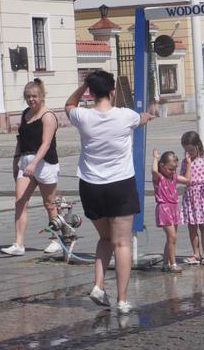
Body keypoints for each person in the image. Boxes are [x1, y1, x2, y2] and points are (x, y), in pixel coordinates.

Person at [65, 70, 154, 314]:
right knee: (122, 243)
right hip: (120, 185)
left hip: (91, 186)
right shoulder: (125, 117)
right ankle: (122, 300)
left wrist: (84, 86)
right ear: (112, 92)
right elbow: (143, 118)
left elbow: (69, 104)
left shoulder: (82, 116)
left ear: (91, 93)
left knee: (105, 239)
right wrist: (149, 115)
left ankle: (98, 286)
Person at [2, 79, 63, 256]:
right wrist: (16, 160)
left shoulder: (48, 116)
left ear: (42, 96)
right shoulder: (25, 114)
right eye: (28, 96)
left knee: (49, 204)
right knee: (20, 202)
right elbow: (20, 139)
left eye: (34, 96)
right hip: (25, 161)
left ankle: (55, 239)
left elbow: (46, 144)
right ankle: (18, 244)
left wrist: (34, 163)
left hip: (45, 163)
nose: (31, 100)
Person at [179, 131, 204, 265]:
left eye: (191, 149)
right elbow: (184, 179)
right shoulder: (186, 162)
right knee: (192, 225)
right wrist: (188, 164)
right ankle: (196, 254)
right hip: (190, 194)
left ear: (198, 145)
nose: (188, 153)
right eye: (186, 150)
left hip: (202, 194)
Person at [151, 149, 191, 273]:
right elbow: (153, 170)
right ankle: (172, 264)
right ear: (162, 166)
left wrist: (188, 164)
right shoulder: (159, 177)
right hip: (164, 208)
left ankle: (166, 263)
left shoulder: (173, 176)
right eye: (170, 169)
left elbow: (187, 180)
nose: (172, 172)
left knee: (171, 238)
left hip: (173, 207)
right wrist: (155, 158)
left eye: (174, 169)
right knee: (172, 236)